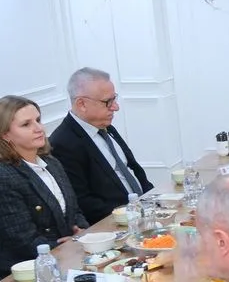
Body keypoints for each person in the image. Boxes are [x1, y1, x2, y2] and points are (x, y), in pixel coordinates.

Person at [0, 96, 88, 277]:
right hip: (32, 271)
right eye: (26, 124)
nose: (39, 128)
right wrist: (70, 245)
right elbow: (23, 241)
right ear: (4, 135)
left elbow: (74, 209)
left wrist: (83, 231)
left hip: (68, 254)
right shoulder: (0, 178)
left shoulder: (51, 162)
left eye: (38, 120)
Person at [49, 67, 153, 224]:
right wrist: (134, 215)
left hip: (144, 212)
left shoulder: (106, 127)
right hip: (115, 223)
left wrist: (155, 201)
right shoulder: (63, 143)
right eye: (108, 102)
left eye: (114, 99)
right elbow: (83, 202)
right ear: (82, 104)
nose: (116, 107)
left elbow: (134, 170)